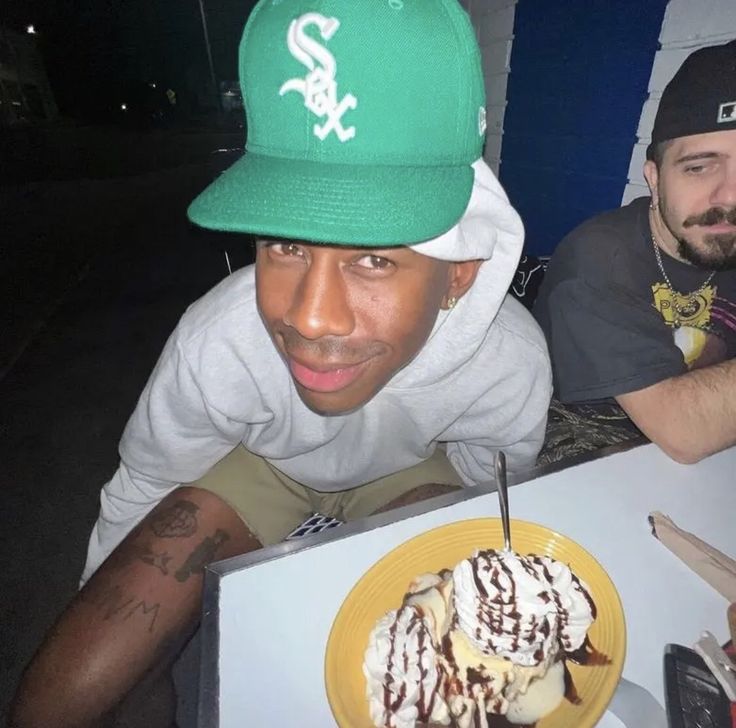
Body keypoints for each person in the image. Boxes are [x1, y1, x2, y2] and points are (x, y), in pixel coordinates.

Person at [9, 1, 551, 725]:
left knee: (434, 678)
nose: (308, 316)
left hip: (409, 477)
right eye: (286, 245)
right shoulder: (221, 339)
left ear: (459, 271)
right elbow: (148, 478)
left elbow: (495, 490)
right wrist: (114, 606)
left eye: (372, 256)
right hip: (256, 470)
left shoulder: (507, 361)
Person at [534, 39, 736, 466]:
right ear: (654, 179)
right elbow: (685, 431)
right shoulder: (598, 259)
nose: (729, 196)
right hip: (586, 440)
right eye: (699, 167)